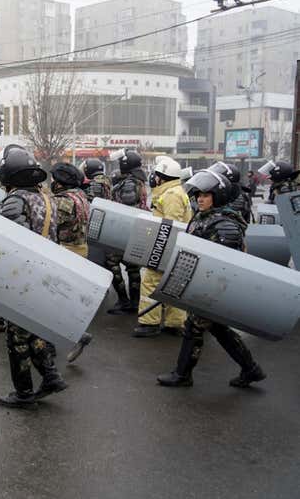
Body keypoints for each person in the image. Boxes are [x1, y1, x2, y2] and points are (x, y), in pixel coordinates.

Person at [157, 169, 266, 388]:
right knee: (218, 329)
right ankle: (251, 369)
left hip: (214, 287)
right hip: (203, 284)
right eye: (198, 195)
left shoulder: (225, 224)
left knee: (194, 327)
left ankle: (182, 374)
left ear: (217, 197)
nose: (200, 199)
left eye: (205, 195)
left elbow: (224, 265)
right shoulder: (204, 218)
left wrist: (208, 290)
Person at [0, 146, 67, 410]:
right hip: (45, 273)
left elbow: (10, 245)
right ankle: (51, 377)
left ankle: (23, 393)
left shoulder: (15, 200)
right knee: (33, 329)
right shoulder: (46, 198)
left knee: (16, 337)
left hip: (23, 278)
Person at [134, 156, 193, 338]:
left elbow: (171, 226)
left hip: (166, 248)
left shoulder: (171, 195)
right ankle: (174, 324)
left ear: (163, 177)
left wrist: (160, 252)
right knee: (172, 285)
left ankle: (149, 323)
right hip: (174, 248)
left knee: (151, 282)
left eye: (157, 175)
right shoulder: (174, 191)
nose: (155, 178)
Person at [49, 163, 93, 363]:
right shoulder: (81, 196)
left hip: (67, 251)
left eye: (54, 180)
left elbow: (49, 221)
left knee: (54, 298)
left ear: (60, 183)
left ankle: (77, 335)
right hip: (80, 249)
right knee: (63, 298)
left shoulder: (63, 202)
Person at [105, 150, 148, 315]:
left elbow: (127, 208)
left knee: (112, 263)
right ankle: (134, 302)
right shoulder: (137, 181)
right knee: (132, 266)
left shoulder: (130, 183)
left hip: (124, 231)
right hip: (135, 231)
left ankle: (124, 301)